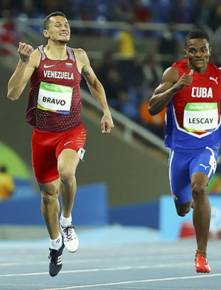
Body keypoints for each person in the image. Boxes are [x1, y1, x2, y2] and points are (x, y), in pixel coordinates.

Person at [6, 11, 114, 277]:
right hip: (42, 135)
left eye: (66, 24)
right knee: (47, 195)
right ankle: (55, 244)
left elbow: (95, 83)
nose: (64, 28)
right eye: (57, 25)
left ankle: (67, 220)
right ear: (46, 33)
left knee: (67, 172)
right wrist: (21, 63)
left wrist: (106, 111)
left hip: (71, 131)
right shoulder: (36, 56)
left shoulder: (79, 56)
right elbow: (12, 94)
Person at [148, 30, 221, 273]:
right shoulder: (174, 73)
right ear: (186, 53)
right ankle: (191, 203)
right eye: (193, 51)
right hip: (180, 151)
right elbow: (152, 107)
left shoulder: (220, 75)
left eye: (203, 50)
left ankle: (201, 255)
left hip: (207, 147)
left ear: (209, 50)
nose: (198, 55)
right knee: (182, 208)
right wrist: (176, 89)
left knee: (199, 188)